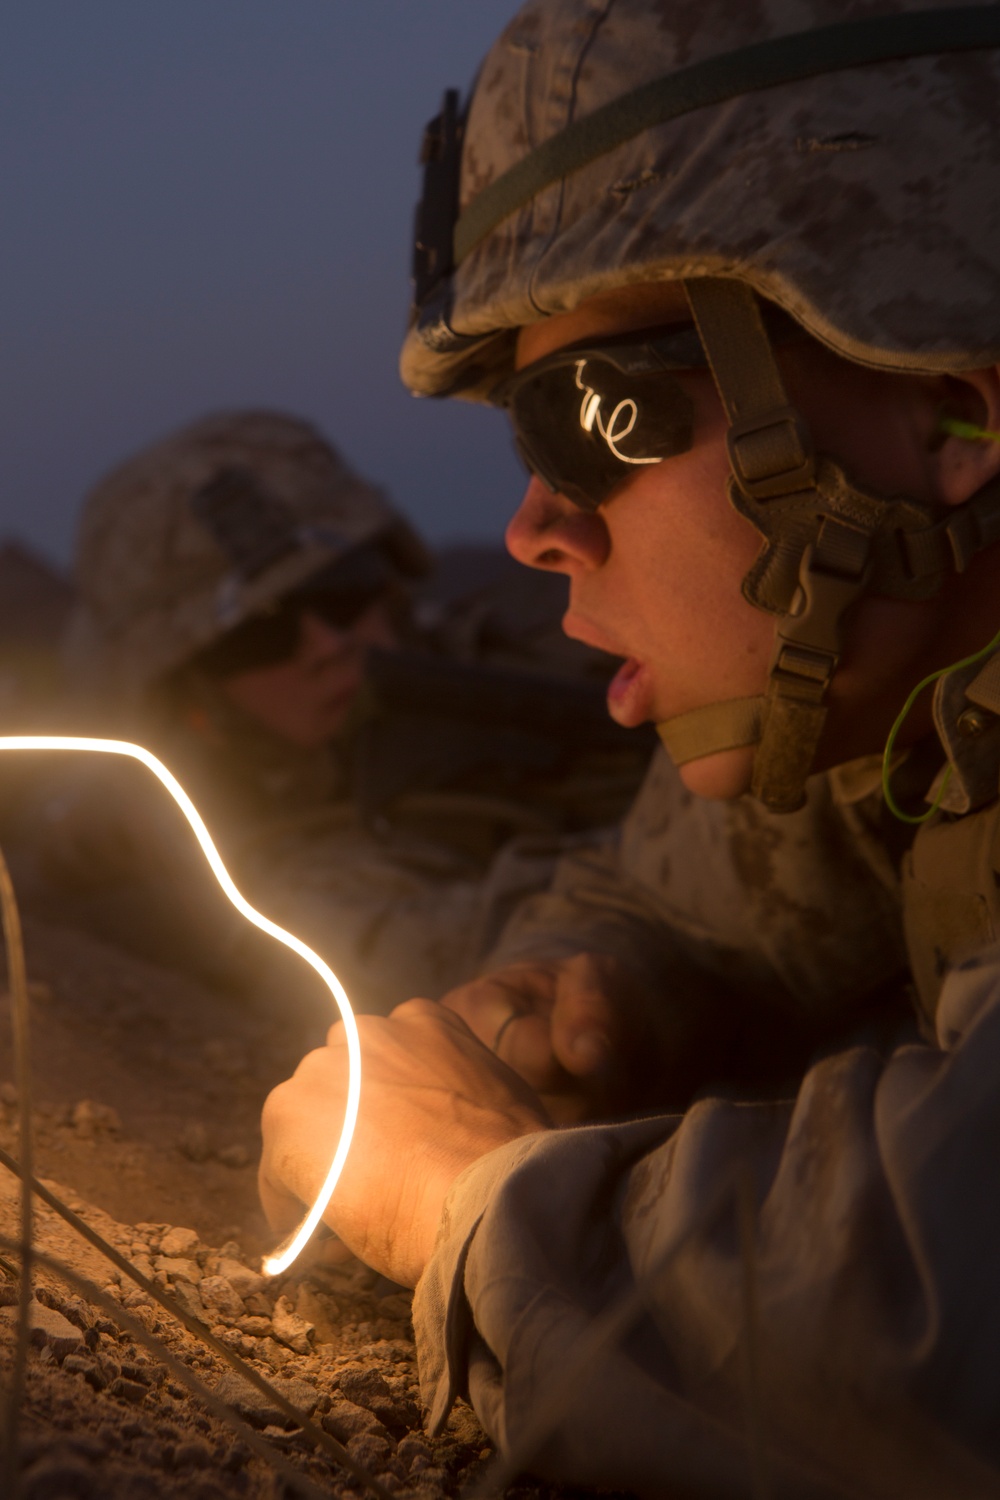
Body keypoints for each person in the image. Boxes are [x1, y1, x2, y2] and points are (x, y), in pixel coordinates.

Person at [259, 1, 1000, 1494]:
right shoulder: (905, 706)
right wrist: (620, 1000)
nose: (537, 528)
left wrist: (486, 1192)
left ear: (941, 404)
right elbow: (670, 897)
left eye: (595, 416)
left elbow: (945, 1334)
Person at [37, 409, 648, 1014]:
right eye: (258, 639)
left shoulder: (529, 657)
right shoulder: (243, 862)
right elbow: (423, 968)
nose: (326, 646)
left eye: (340, 591)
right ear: (190, 690)